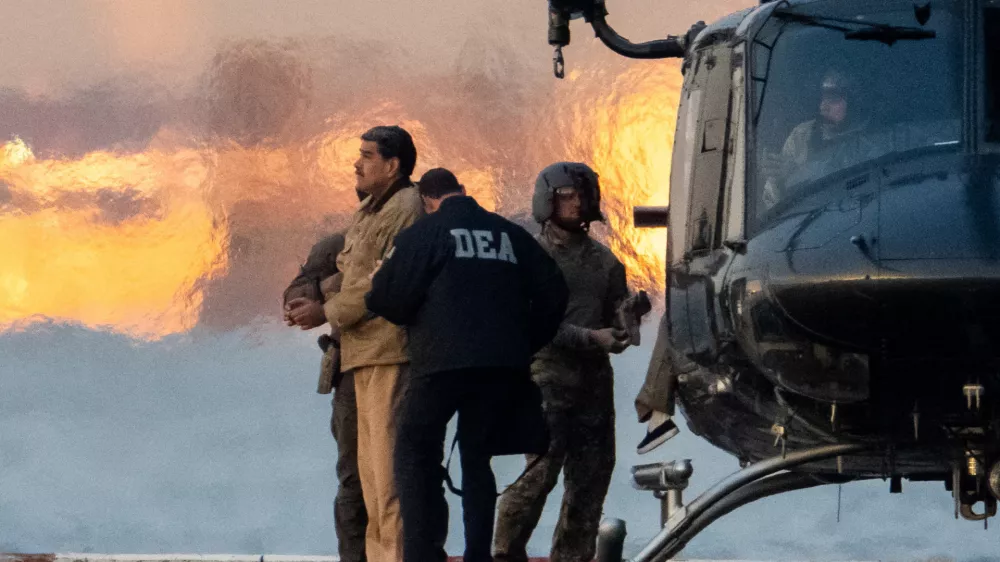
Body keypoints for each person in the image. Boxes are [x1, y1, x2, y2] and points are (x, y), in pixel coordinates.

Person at [365, 168, 568, 562]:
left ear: (426, 201)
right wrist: (524, 343)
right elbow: (555, 292)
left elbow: (386, 300)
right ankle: (478, 554)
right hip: (499, 367)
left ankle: (422, 553)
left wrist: (393, 293)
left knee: (415, 448)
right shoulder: (509, 234)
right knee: (477, 457)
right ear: (462, 190)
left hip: (440, 365)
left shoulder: (423, 234)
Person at [493, 162, 635, 562]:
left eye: (581, 196)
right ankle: (505, 554)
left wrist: (624, 327)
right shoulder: (529, 257)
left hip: (594, 381)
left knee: (591, 479)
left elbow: (615, 320)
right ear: (547, 201)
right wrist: (591, 337)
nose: (575, 204)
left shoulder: (606, 263)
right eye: (566, 197)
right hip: (546, 375)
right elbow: (532, 321)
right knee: (539, 473)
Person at [327, 125, 424, 562]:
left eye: (368, 156)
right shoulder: (368, 210)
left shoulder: (406, 207)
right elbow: (347, 270)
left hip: (390, 354)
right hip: (361, 354)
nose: (357, 163)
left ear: (393, 165)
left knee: (388, 482)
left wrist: (326, 311)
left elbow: (378, 282)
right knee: (370, 482)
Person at [283, 230, 367, 562]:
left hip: (401, 369)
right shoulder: (341, 243)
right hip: (349, 374)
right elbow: (295, 292)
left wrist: (329, 294)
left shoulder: (414, 232)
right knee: (353, 479)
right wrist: (316, 296)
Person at [761, 68, 868, 210]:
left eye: (833, 99)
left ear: (853, 101)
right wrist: (779, 181)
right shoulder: (801, 136)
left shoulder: (873, 138)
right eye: (822, 98)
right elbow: (773, 204)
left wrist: (797, 173)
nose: (823, 107)